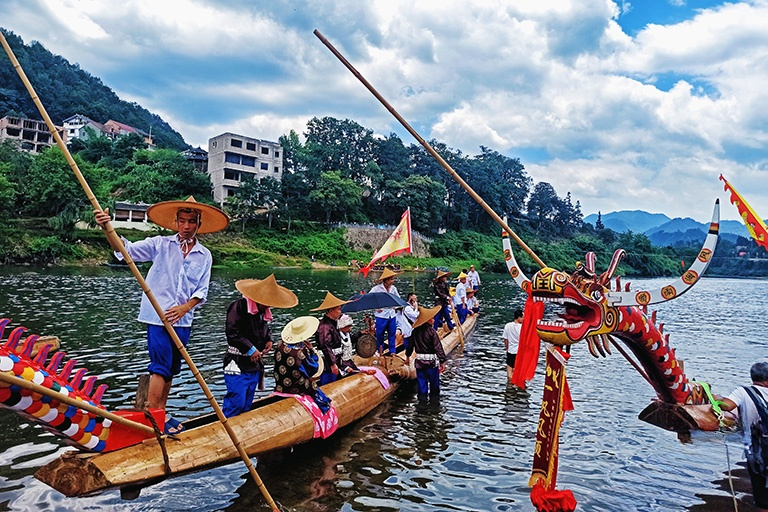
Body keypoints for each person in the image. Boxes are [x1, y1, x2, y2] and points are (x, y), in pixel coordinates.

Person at [94, 196, 229, 434]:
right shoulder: (161, 244)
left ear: (198, 225)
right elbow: (126, 251)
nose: (186, 226)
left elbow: (201, 290)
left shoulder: (204, 255)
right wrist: (108, 228)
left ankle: (161, 412)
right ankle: (153, 415)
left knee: (173, 369)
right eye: (182, 221)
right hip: (158, 317)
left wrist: (185, 307)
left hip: (183, 320)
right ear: (176, 222)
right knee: (160, 367)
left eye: (191, 222)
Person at [222, 275, 298, 418]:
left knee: (247, 402)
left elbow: (265, 330)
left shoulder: (262, 312)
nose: (269, 305)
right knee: (236, 400)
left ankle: (242, 427)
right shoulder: (238, 307)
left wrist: (269, 340)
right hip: (237, 363)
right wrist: (251, 349)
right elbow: (232, 333)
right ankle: (228, 428)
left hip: (254, 365)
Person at [715, 361, 768, 512]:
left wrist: (714, 397)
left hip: (757, 453)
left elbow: (727, 406)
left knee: (763, 499)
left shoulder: (743, 392)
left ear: (753, 377)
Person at [274, 316, 326, 407]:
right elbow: (312, 370)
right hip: (298, 388)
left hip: (281, 386)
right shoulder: (299, 353)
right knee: (324, 401)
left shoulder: (279, 345)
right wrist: (311, 350)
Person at [405, 305, 447, 403]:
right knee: (434, 386)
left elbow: (410, 347)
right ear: (427, 320)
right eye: (431, 318)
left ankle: (422, 405)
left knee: (422, 386)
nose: (433, 320)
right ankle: (434, 405)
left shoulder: (415, 332)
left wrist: (407, 357)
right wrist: (442, 361)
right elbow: (438, 348)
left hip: (420, 363)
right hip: (431, 364)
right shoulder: (432, 332)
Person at [311, 291, 351, 385]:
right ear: (331, 310)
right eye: (338, 309)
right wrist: (332, 364)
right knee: (328, 384)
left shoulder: (332, 323)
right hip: (328, 362)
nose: (340, 312)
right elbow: (325, 346)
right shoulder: (324, 326)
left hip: (335, 359)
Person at [369, 268, 402, 356]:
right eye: (391, 279)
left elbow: (397, 298)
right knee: (380, 334)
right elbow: (368, 298)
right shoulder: (377, 289)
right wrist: (375, 308)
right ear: (386, 280)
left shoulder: (393, 289)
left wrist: (396, 307)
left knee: (392, 333)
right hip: (381, 315)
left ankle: (392, 351)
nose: (392, 281)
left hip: (391, 314)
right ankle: (380, 350)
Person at [503, 309, 524, 384]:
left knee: (509, 369)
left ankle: (509, 384)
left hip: (510, 350)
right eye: (522, 317)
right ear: (519, 317)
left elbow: (505, 339)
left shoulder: (507, 326)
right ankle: (517, 383)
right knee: (518, 369)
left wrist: (507, 347)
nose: (523, 319)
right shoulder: (522, 328)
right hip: (519, 351)